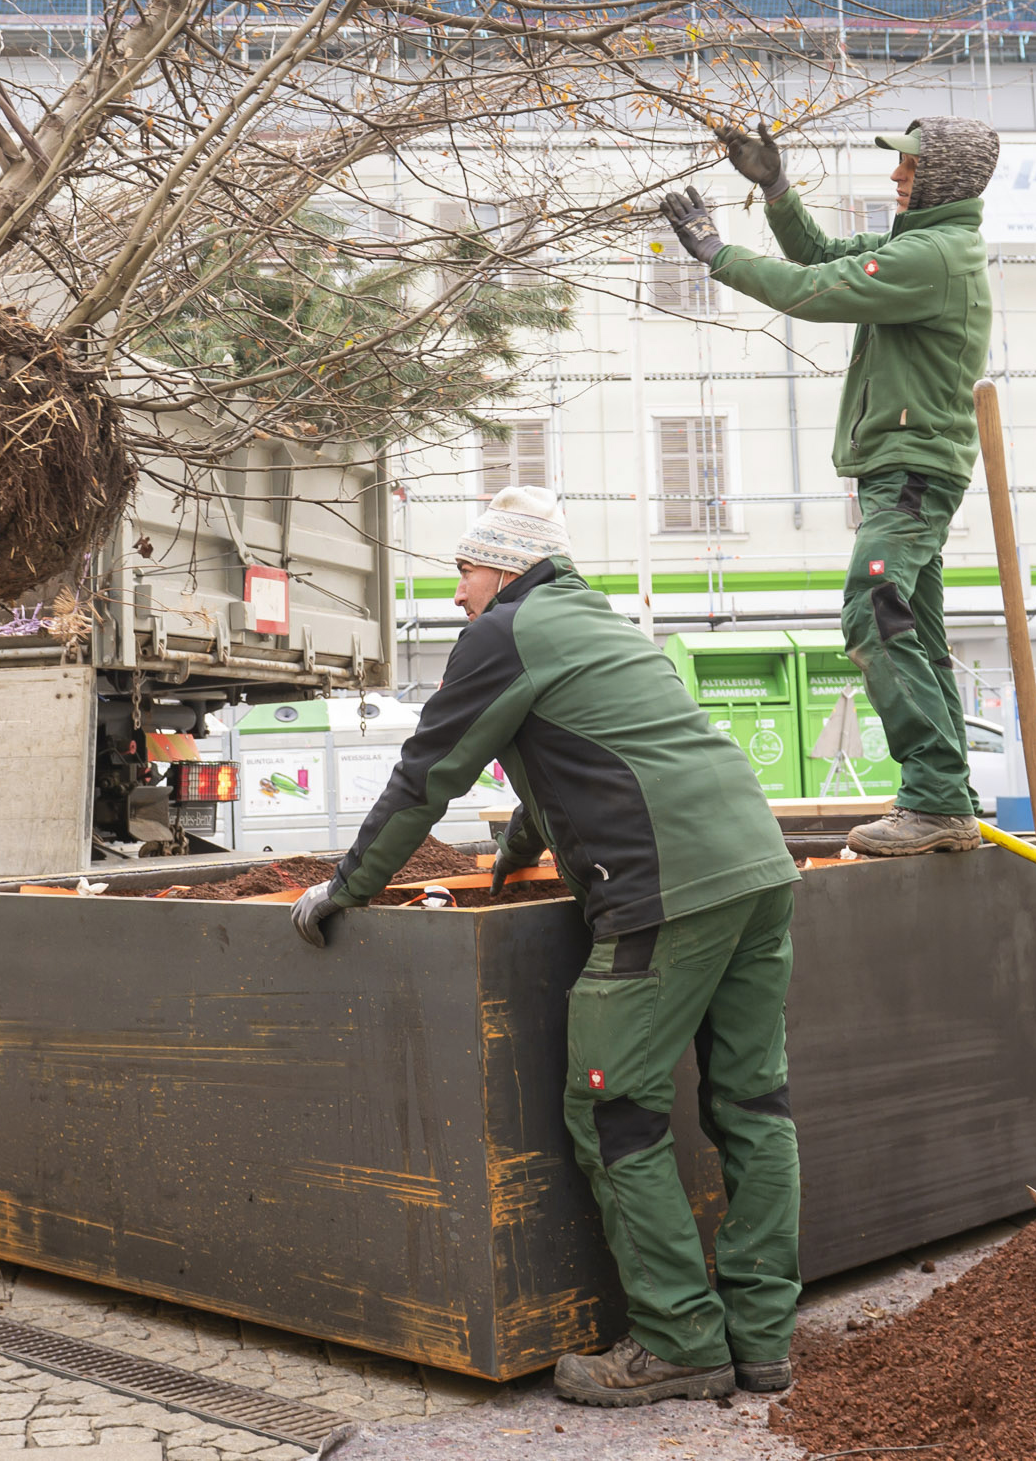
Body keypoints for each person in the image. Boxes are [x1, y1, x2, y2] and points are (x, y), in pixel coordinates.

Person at [288, 485, 801, 1408]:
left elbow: (426, 772)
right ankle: (763, 1342)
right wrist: (517, 852)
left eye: (463, 571)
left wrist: (348, 886)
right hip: (757, 869)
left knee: (615, 1110)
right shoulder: (599, 627)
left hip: (663, 892)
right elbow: (591, 762)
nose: (456, 595)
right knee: (752, 1105)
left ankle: (680, 1340)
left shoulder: (503, 633)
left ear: (508, 566)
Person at [661, 115, 997, 857]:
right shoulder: (921, 245)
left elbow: (810, 289)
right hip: (904, 473)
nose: (895, 177)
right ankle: (948, 796)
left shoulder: (935, 255)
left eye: (909, 167)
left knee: (873, 611)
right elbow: (817, 254)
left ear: (942, 177)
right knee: (916, 631)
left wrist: (717, 253)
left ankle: (937, 800)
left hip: (911, 472)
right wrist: (776, 191)